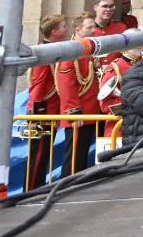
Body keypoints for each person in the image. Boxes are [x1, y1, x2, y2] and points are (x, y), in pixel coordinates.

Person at [53, 14, 102, 176]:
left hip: (90, 112)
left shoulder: (88, 50)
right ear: (78, 30)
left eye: (94, 27)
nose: (94, 30)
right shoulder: (71, 51)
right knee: (73, 159)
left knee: (82, 157)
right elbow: (66, 85)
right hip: (78, 115)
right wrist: (73, 112)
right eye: (90, 28)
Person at [27, 15, 67, 190]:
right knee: (39, 155)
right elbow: (38, 85)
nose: (67, 29)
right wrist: (36, 114)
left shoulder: (55, 49)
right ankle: (32, 189)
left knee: (44, 154)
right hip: (43, 112)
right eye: (64, 26)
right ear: (54, 32)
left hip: (52, 110)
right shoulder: (44, 53)